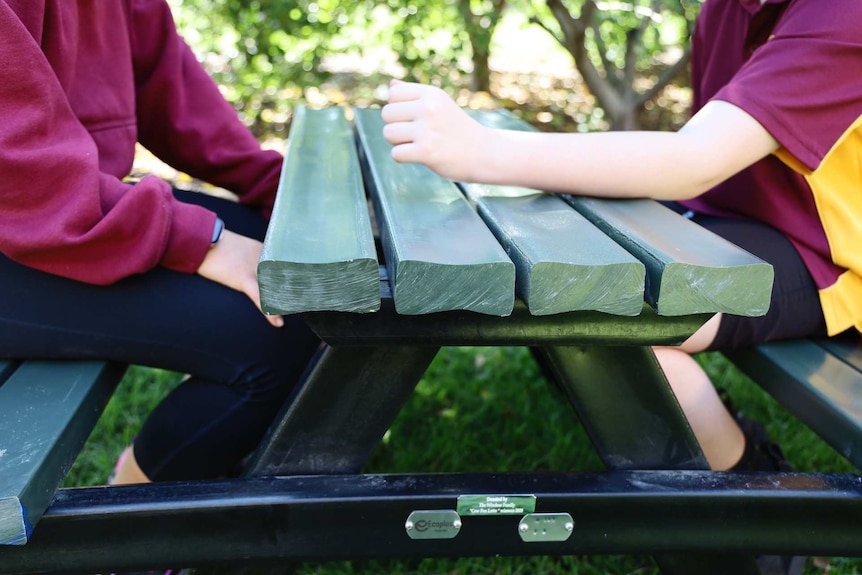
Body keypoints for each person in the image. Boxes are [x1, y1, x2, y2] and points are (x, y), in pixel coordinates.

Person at [381, 0, 862, 473]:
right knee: (565, 264)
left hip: (829, 252)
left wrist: (484, 149)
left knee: (613, 312)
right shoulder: (730, 7)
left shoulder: (844, 14)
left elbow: (695, 160)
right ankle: (660, 426)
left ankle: (753, 494)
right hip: (729, 212)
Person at [0, 0, 321, 483]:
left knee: (303, 276)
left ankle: (203, 472)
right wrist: (200, 241)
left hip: (55, 213)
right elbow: (18, 168)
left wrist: (280, 191)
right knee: (269, 337)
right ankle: (133, 518)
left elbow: (173, 96)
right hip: (23, 219)